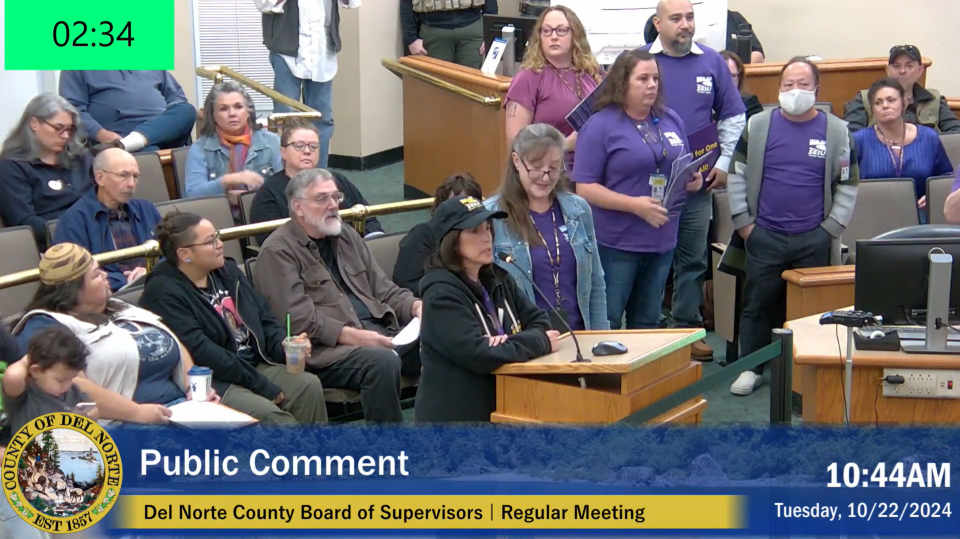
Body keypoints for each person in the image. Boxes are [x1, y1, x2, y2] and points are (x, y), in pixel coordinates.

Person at [723, 58, 859, 396]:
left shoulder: (837, 130)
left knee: (811, 311)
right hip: (763, 234)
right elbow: (737, 174)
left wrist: (831, 228)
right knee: (757, 304)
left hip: (814, 237)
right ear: (778, 88)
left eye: (802, 84)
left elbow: (848, 182)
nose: (794, 91)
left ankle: (807, 375)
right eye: (787, 85)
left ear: (816, 89)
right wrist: (744, 224)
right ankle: (751, 369)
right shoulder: (758, 125)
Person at [254, 169, 421, 423]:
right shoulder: (278, 251)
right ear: (298, 207)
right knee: (381, 362)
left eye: (335, 197)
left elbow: (384, 289)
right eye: (322, 199)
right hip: (329, 352)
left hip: (380, 331)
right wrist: (356, 337)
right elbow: (298, 320)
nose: (333, 205)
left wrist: (416, 306)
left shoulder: (347, 236)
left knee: (441, 337)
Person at [139, 211, 328, 425]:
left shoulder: (227, 270)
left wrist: (283, 343)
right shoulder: (164, 291)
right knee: (273, 417)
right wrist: (261, 385)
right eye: (211, 241)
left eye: (217, 236)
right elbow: (204, 353)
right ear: (184, 254)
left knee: (307, 385)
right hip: (215, 380)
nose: (220, 244)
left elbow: (263, 316)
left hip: (254, 364)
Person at [641, 0, 746, 360]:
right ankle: (649, 329)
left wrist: (726, 164)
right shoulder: (640, 61)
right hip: (648, 188)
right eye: (676, 19)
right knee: (651, 258)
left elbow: (733, 117)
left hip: (698, 186)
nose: (685, 25)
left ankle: (686, 328)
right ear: (658, 23)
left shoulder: (712, 61)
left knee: (693, 260)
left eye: (689, 17)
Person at [573, 49, 702, 330]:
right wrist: (634, 205)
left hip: (662, 241)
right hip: (617, 245)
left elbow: (685, 165)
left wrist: (695, 181)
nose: (652, 85)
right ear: (623, 83)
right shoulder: (599, 126)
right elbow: (584, 188)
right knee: (606, 321)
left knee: (646, 324)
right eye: (643, 78)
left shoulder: (671, 119)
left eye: (655, 78)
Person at [14, 243, 215, 415]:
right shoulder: (45, 327)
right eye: (96, 275)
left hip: (183, 408)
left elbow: (171, 341)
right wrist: (137, 413)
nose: (105, 275)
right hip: (125, 424)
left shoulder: (120, 306)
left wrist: (196, 388)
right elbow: (74, 386)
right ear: (73, 291)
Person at [415, 196, 559, 422]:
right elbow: (480, 354)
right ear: (451, 241)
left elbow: (541, 322)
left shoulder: (499, 278)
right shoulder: (441, 296)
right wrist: (537, 341)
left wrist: (505, 344)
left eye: (488, 229)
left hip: (503, 407)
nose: (487, 238)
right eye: (474, 231)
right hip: (455, 423)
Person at [485, 123, 608, 331]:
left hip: (579, 337)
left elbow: (595, 282)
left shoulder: (578, 209)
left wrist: (601, 336)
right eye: (536, 168)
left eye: (553, 168)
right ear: (516, 161)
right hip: (525, 342)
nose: (545, 177)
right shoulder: (492, 216)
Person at [256, 0, 361, 168]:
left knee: (322, 119)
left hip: (322, 49)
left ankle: (319, 177)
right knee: (284, 118)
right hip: (286, 51)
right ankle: (284, 177)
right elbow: (264, 4)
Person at [249, 118, 382, 245]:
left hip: (352, 254)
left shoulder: (337, 180)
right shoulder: (268, 193)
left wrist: (371, 244)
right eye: (299, 146)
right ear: (283, 152)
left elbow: (369, 219)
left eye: (313, 147)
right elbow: (273, 243)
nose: (307, 151)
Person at [53, 148, 162, 291]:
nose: (131, 184)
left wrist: (148, 272)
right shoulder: (74, 220)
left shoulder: (146, 209)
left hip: (153, 286)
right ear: (100, 178)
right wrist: (128, 280)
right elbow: (76, 275)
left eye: (135, 176)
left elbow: (169, 252)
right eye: (123, 175)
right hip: (107, 296)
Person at [504, 5, 602, 161]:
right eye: (546, 31)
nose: (553, 37)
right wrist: (566, 144)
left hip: (597, 161)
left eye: (561, 30)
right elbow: (516, 144)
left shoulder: (592, 71)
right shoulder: (528, 78)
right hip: (552, 169)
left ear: (575, 34)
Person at [0, 94, 94, 249]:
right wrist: (75, 231)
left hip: (97, 234)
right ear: (34, 123)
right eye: (58, 128)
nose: (65, 136)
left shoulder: (80, 157)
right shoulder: (11, 166)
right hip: (53, 245)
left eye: (69, 129)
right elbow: (25, 222)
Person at [853, 78, 953, 217]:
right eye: (878, 102)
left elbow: (946, 177)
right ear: (872, 110)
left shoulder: (928, 137)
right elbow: (844, 182)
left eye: (891, 100)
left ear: (904, 104)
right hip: (872, 216)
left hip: (921, 216)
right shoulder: (859, 140)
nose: (885, 105)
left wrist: (932, 196)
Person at [183, 82, 280, 218]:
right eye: (223, 109)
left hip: (265, 216)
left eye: (238, 107)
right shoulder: (200, 148)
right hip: (219, 220)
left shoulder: (271, 141)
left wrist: (246, 199)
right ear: (213, 115)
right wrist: (228, 181)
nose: (232, 113)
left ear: (248, 111)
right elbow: (192, 195)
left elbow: (286, 189)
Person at [58, 70, 196, 153]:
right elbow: (72, 109)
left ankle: (129, 144)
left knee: (187, 110)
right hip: (117, 135)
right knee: (148, 153)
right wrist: (100, 134)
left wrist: (166, 121)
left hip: (163, 132)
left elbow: (177, 97)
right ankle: (129, 144)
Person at [393, 172, 483, 294]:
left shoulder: (481, 238)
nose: (462, 210)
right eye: (454, 204)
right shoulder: (421, 235)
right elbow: (405, 284)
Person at [844, 45, 960, 134]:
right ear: (888, 70)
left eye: (909, 66)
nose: (902, 71)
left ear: (920, 70)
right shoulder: (866, 98)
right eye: (896, 66)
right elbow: (850, 136)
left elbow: (955, 133)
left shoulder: (935, 100)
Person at [401, 0, 497, 69]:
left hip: (471, 32)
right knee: (438, 88)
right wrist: (411, 38)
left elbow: (490, 2)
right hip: (433, 33)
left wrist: (490, 33)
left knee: (472, 87)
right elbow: (406, 2)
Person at [721, 50, 764, 121]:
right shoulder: (705, 105)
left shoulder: (750, 104)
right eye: (724, 76)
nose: (728, 81)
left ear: (739, 78)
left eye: (733, 76)